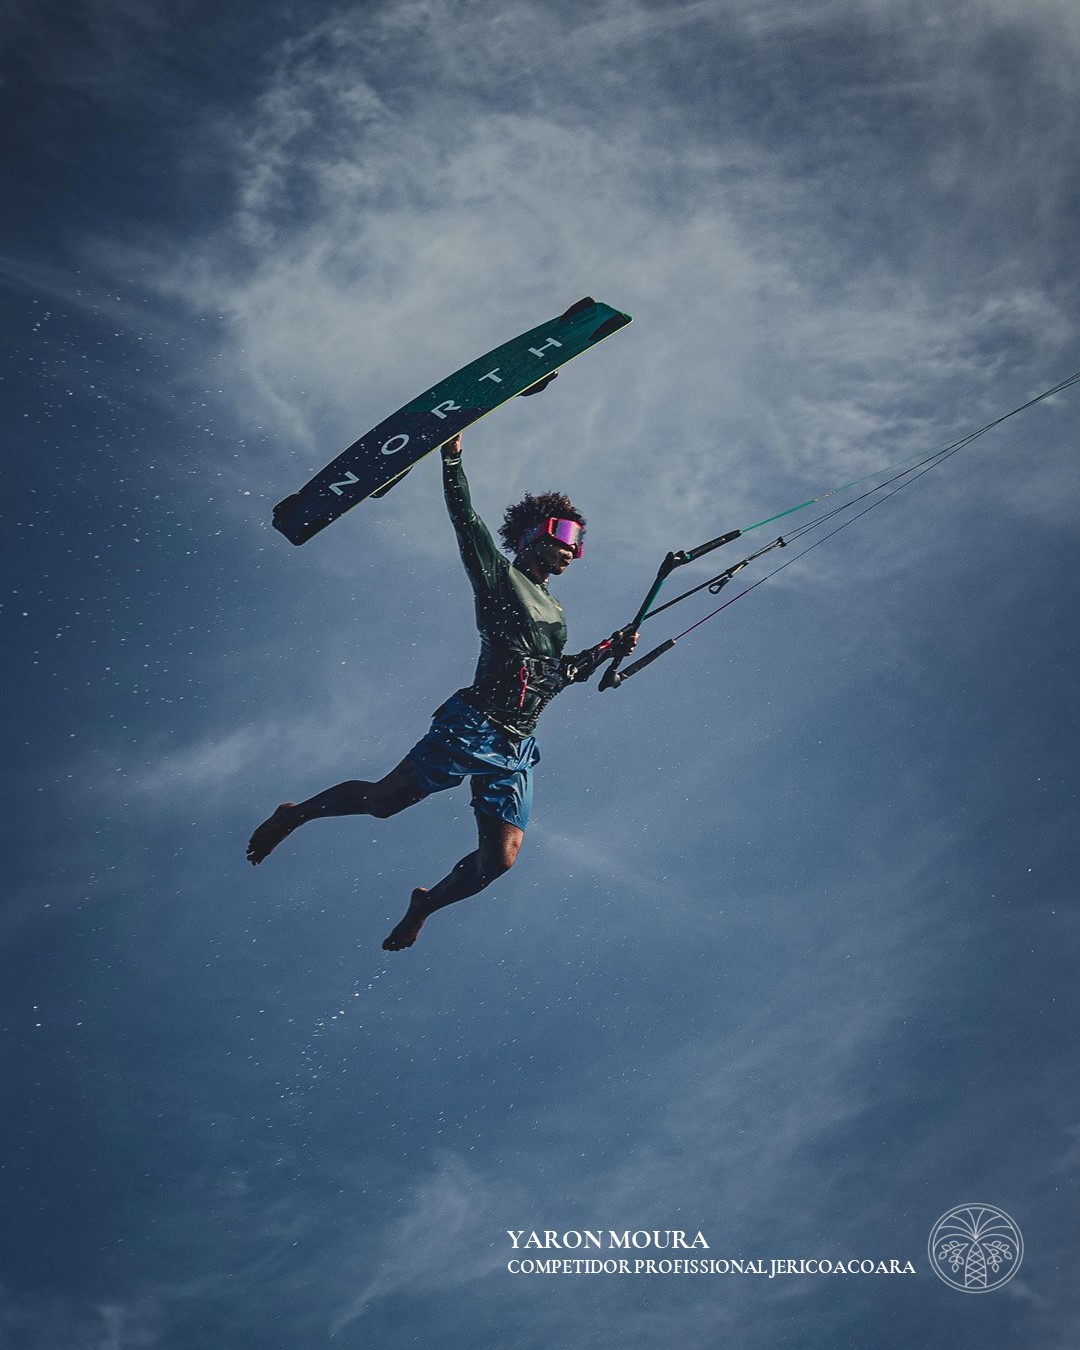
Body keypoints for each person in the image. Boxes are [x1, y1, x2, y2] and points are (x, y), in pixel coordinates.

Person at [246, 431, 636, 950]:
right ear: (529, 536)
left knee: (500, 861)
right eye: (562, 533)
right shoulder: (498, 577)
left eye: (578, 541)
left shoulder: (558, 612)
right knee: (385, 803)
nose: (571, 547)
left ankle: (425, 903)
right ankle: (295, 815)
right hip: (471, 725)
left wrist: (605, 651)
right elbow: (465, 522)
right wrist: (451, 459)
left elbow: (555, 675)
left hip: (516, 746)